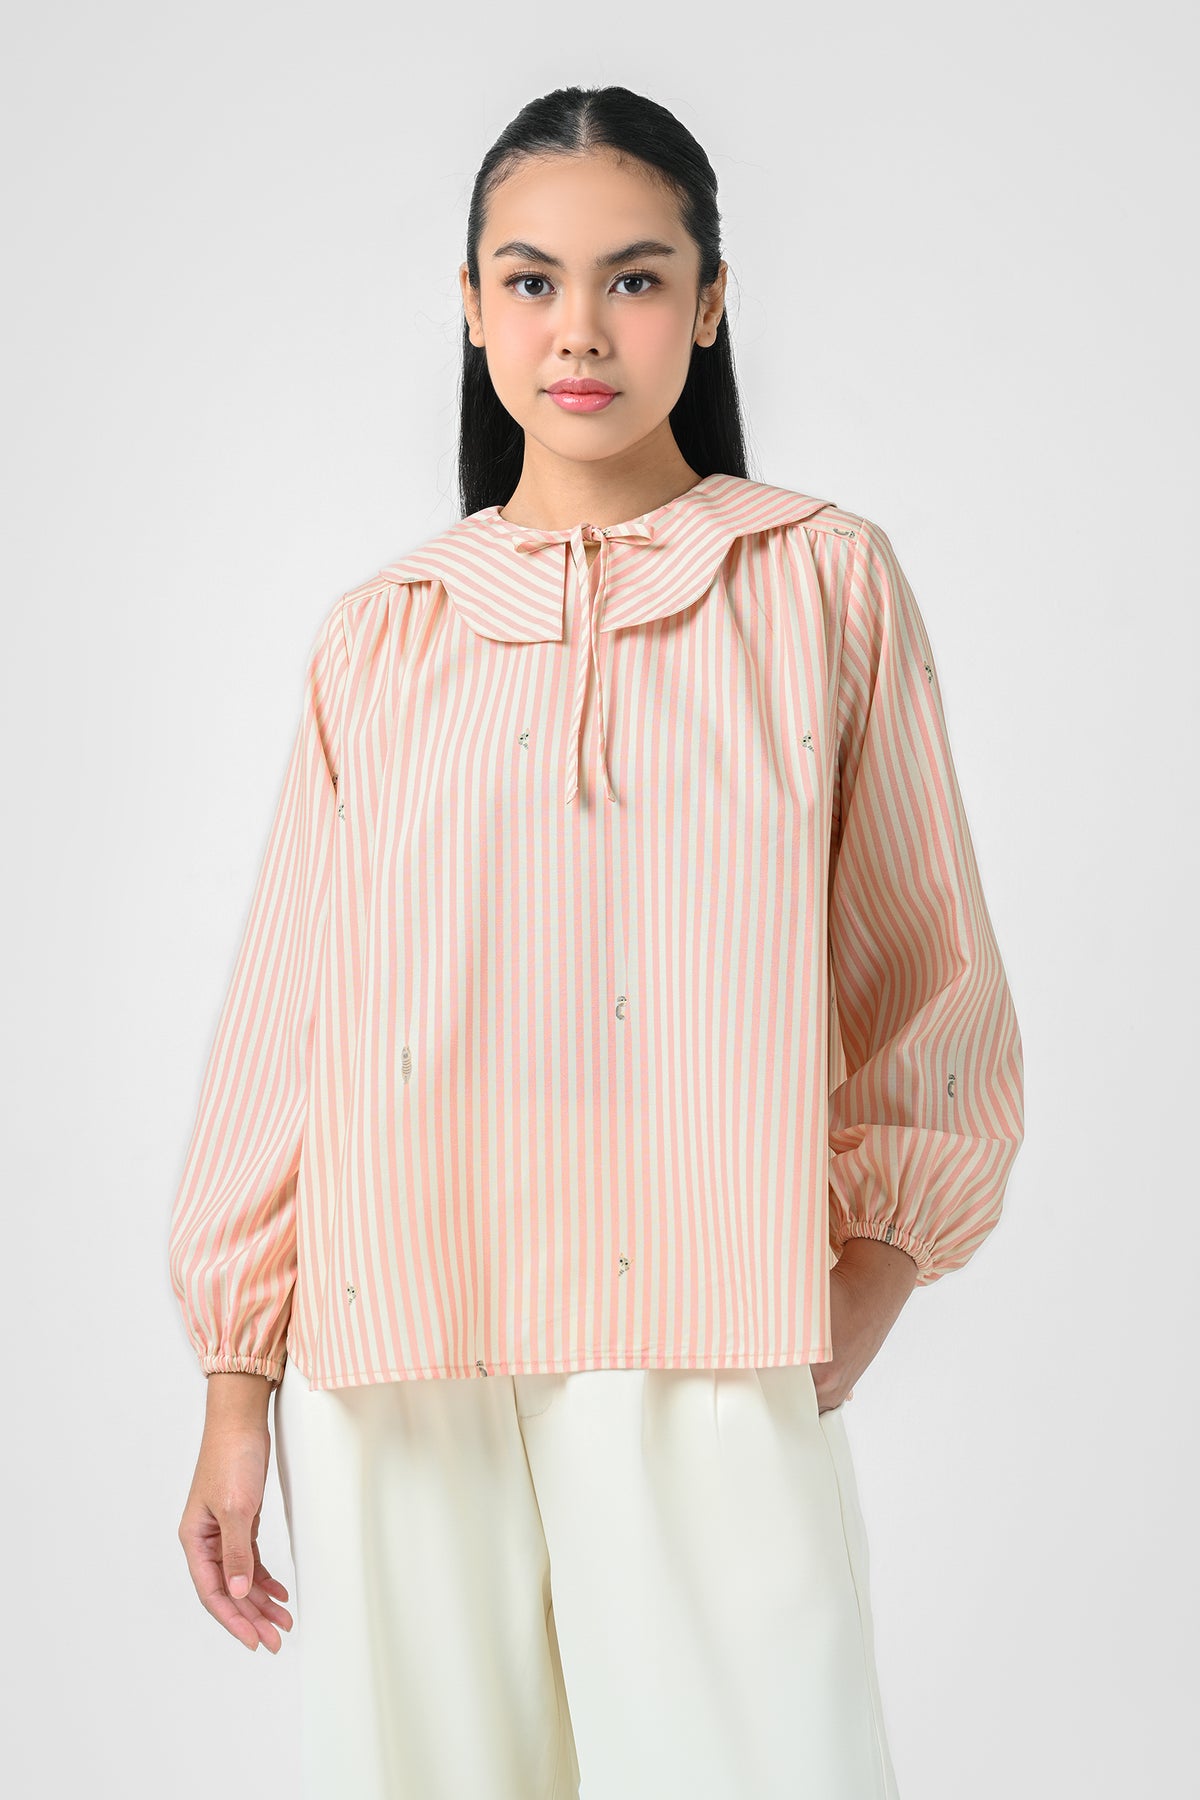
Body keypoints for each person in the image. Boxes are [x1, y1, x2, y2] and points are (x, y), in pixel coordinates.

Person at [169, 84, 1024, 1800]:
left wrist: (866, 1279)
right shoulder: (385, 637)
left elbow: (927, 966)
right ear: (471, 304)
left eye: (634, 279)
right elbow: (289, 1019)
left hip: (707, 1319)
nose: (579, 329)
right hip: (400, 1338)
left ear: (708, 306)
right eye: (531, 280)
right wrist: (236, 1386)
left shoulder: (820, 584)